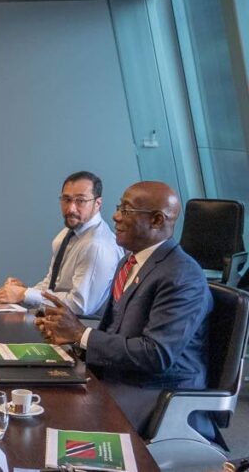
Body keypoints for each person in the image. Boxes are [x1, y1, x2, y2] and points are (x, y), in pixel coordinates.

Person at [36, 181, 213, 437]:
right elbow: (113, 331)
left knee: (60, 419)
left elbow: (156, 355)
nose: (115, 215)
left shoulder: (182, 276)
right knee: (41, 398)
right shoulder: (128, 262)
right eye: (120, 207)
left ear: (156, 220)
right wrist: (66, 335)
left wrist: (80, 334)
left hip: (155, 392)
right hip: (118, 376)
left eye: (126, 210)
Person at [0, 171, 123, 316]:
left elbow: (80, 306)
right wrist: (25, 291)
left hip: (79, 330)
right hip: (53, 321)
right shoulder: (67, 233)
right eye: (66, 199)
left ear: (97, 204)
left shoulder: (97, 246)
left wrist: (25, 294)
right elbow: (52, 284)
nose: (71, 208)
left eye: (80, 201)